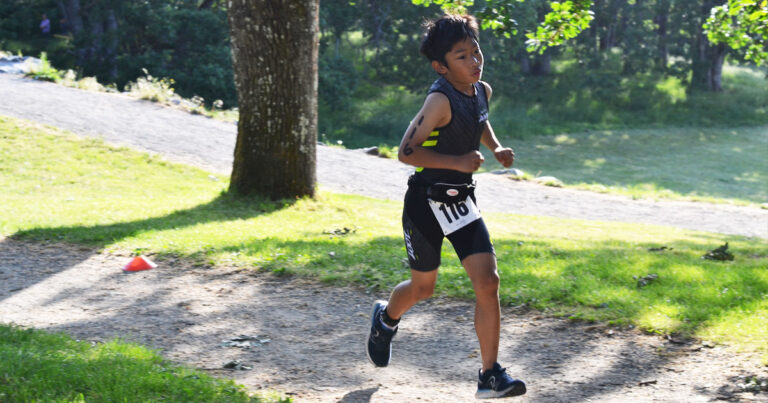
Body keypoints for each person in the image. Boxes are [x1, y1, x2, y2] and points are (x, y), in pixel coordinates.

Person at [365, 14, 527, 399]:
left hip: (461, 202)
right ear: (441, 66)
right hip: (425, 202)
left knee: (488, 283)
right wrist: (457, 162)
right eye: (462, 57)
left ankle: (489, 375)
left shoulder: (481, 90)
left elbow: (479, 119)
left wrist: (496, 147)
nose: (474, 62)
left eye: (476, 52)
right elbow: (406, 151)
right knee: (424, 288)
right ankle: (385, 320)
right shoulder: (437, 100)